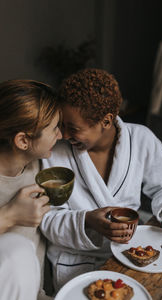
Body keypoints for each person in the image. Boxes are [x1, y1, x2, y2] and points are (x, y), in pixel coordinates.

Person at [40, 68, 162, 292]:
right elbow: (47, 219)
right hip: (75, 259)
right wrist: (88, 221)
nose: (62, 135)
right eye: (61, 124)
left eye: (72, 128)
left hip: (129, 253)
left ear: (106, 120)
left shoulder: (141, 139)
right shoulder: (55, 153)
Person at [0, 79, 62, 300]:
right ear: (23, 141)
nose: (61, 135)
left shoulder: (37, 163)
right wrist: (10, 215)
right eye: (55, 129)